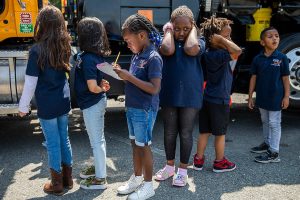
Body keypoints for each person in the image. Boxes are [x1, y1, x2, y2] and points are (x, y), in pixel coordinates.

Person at [18, 5, 73, 195]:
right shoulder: (65, 45)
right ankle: (68, 180)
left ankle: (56, 184)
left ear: (42, 24)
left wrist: (23, 106)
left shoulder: (36, 50)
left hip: (47, 103)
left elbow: (30, 83)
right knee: (64, 139)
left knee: (52, 142)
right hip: (63, 100)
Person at [154, 5, 205, 187]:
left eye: (186, 28)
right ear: (170, 26)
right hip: (169, 94)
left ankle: (182, 171)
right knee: (169, 132)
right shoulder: (166, 40)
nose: (181, 32)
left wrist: (194, 30)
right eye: (176, 28)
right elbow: (167, 50)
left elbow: (191, 49)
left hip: (191, 96)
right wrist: (168, 31)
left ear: (193, 26)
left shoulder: (199, 41)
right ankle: (169, 167)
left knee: (185, 133)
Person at [113, 13, 162, 200]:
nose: (127, 44)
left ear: (141, 35)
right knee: (135, 144)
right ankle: (137, 178)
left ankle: (149, 186)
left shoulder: (153, 57)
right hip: (132, 107)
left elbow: (154, 88)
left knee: (144, 146)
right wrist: (120, 75)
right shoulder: (137, 55)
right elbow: (134, 81)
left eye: (128, 40)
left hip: (144, 109)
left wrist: (129, 77)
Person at [193, 17, 242, 173]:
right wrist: (222, 39)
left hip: (207, 98)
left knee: (204, 131)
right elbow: (238, 51)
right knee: (220, 133)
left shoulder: (208, 53)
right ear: (214, 39)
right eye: (226, 36)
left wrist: (222, 39)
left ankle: (198, 160)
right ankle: (219, 162)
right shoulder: (219, 54)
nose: (230, 39)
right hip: (219, 99)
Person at [74, 17, 111, 189]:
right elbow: (97, 81)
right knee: (97, 140)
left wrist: (101, 88)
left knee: (96, 141)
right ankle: (99, 168)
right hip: (94, 103)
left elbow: (92, 87)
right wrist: (102, 86)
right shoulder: (91, 56)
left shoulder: (88, 58)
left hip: (92, 104)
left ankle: (100, 179)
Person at [248, 27, 290, 163]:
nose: (275, 38)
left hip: (276, 98)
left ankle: (274, 152)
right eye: (270, 36)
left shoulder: (282, 58)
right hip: (262, 97)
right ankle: (267, 143)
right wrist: (250, 96)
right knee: (265, 121)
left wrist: (286, 96)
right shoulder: (257, 59)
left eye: (277, 36)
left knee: (274, 123)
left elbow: (285, 79)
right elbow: (253, 78)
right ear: (262, 42)